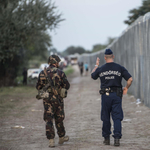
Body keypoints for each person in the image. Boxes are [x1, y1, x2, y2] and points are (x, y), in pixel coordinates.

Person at [91, 49, 133, 146]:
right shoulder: (119, 68)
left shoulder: (101, 69)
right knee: (117, 117)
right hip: (117, 95)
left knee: (106, 117)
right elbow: (130, 79)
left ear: (105, 58)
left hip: (105, 96)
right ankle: (117, 138)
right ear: (113, 56)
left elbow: (93, 76)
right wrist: (126, 88)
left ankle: (106, 138)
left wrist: (96, 65)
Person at [36, 55, 70, 147]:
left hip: (47, 99)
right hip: (58, 99)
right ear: (55, 62)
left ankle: (51, 140)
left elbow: (38, 87)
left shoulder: (42, 73)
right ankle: (61, 137)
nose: (58, 64)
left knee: (49, 119)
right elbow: (67, 86)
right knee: (59, 118)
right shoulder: (60, 72)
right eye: (58, 62)